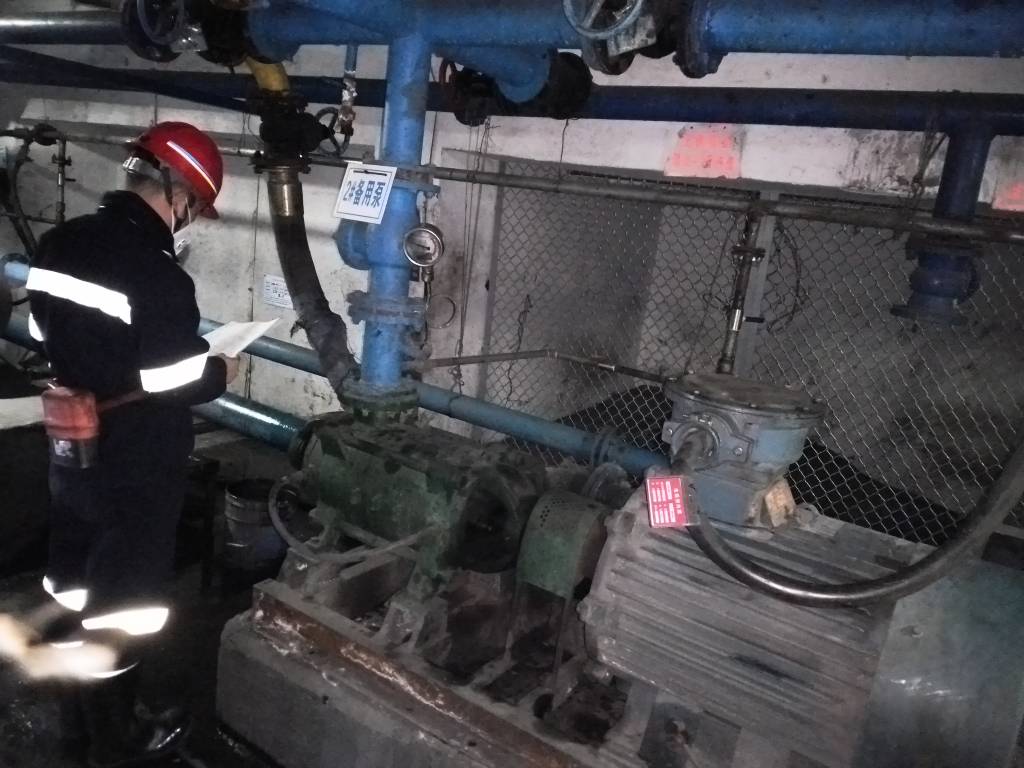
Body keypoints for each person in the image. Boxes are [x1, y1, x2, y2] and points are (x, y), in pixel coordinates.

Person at [25, 121, 238, 767]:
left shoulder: (60, 242)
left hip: (72, 441)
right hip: (136, 453)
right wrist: (220, 370)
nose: (190, 219)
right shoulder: (157, 274)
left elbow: (39, 331)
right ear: (178, 193)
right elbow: (171, 379)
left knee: (72, 580)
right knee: (125, 600)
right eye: (193, 206)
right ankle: (117, 742)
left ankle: (75, 728)